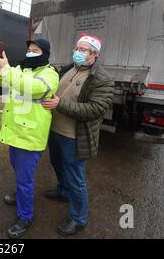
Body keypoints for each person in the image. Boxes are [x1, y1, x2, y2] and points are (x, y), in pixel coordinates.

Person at [41, 34, 115, 236]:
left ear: (95, 54)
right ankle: (63, 192)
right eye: (77, 48)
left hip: (73, 136)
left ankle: (78, 218)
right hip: (55, 131)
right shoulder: (68, 69)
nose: (78, 52)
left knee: (76, 177)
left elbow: (95, 109)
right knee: (57, 164)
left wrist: (60, 104)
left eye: (83, 50)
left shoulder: (101, 79)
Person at [0, 39, 59, 239]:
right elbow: (4, 81)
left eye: (35, 50)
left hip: (30, 135)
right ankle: (20, 197)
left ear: (44, 54)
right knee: (18, 170)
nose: (30, 53)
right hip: (15, 132)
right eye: (29, 50)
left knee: (25, 180)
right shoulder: (23, 69)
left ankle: (25, 217)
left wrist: (7, 69)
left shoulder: (50, 74)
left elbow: (30, 87)